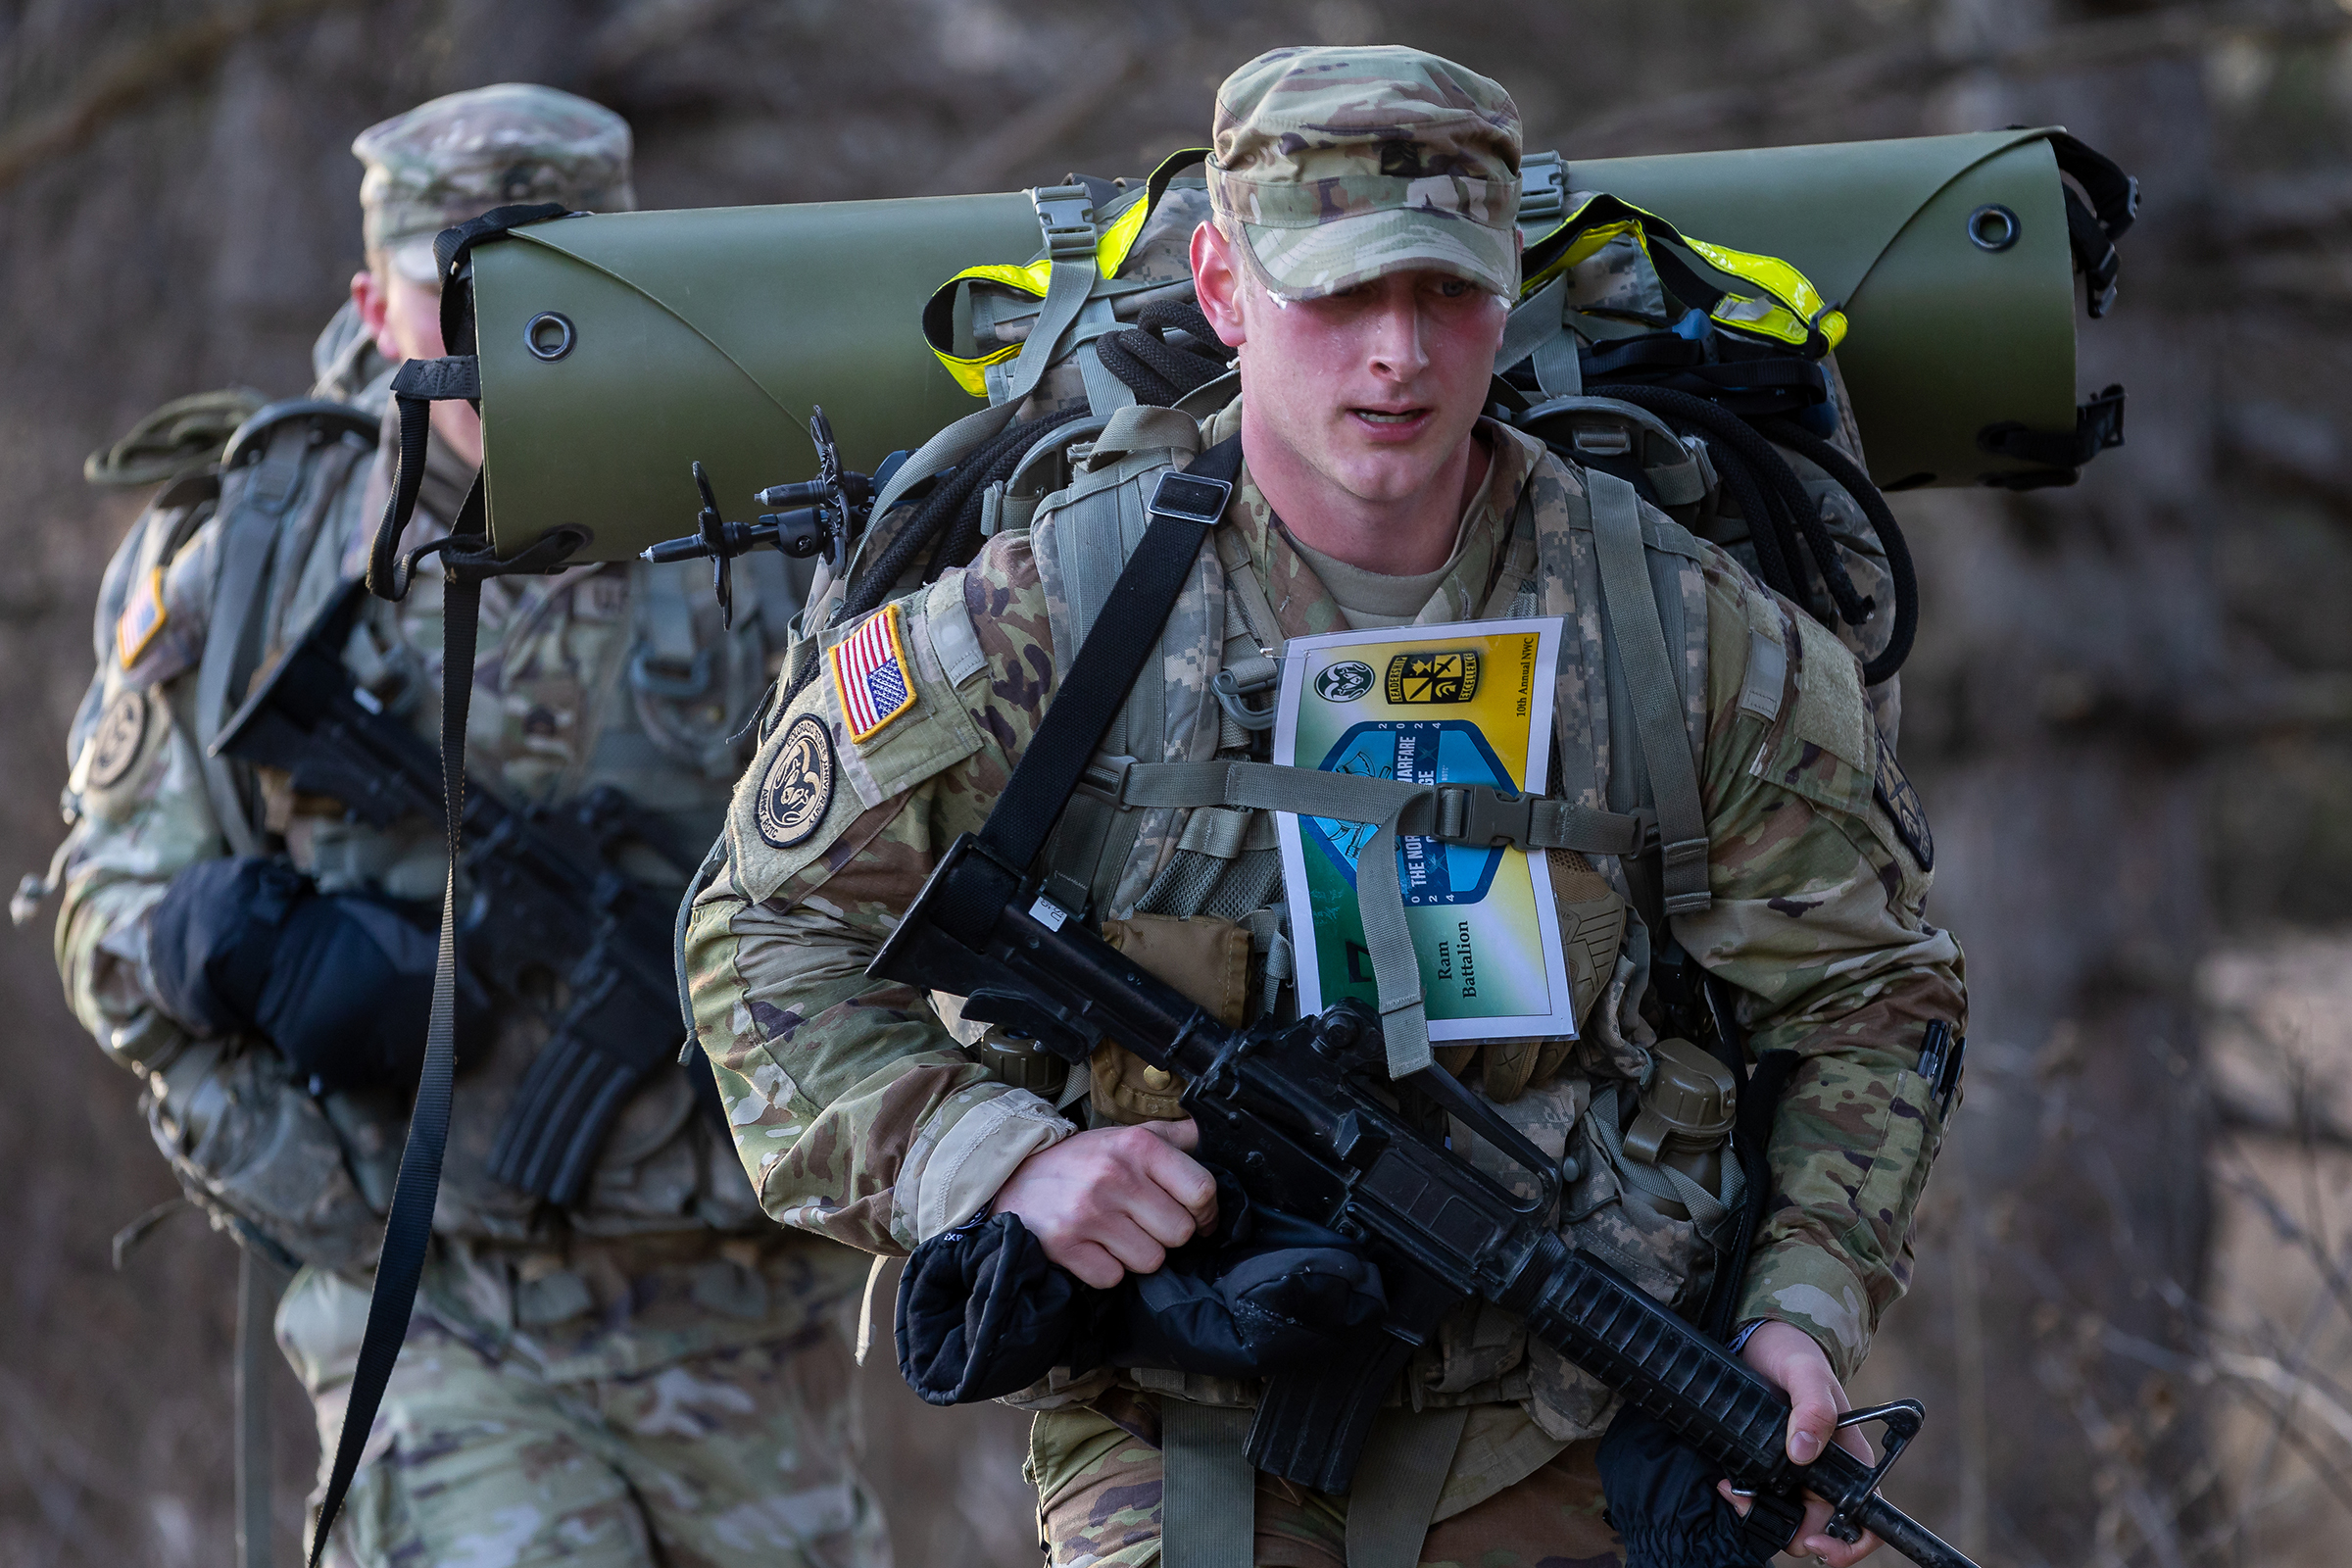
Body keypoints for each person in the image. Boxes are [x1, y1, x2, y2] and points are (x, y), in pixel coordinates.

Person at [684, 44, 1962, 1568]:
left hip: (1579, 1407)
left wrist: (1799, 1316)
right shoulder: (1053, 624)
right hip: (1184, 1420)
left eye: (1445, 294)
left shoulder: (1685, 639)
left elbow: (1870, 1000)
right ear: (1224, 288)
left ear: (1508, 286)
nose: (1399, 358)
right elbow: (757, 939)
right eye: (1339, 296)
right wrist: (1003, 1162)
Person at [53, 83, 883, 1568]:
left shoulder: (800, 524)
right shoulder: (256, 551)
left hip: (758, 1325)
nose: (514, 338)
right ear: (376, 307)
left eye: (561, 288)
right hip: (435, 1318)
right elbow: (109, 915)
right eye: (466, 292)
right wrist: (234, 957)